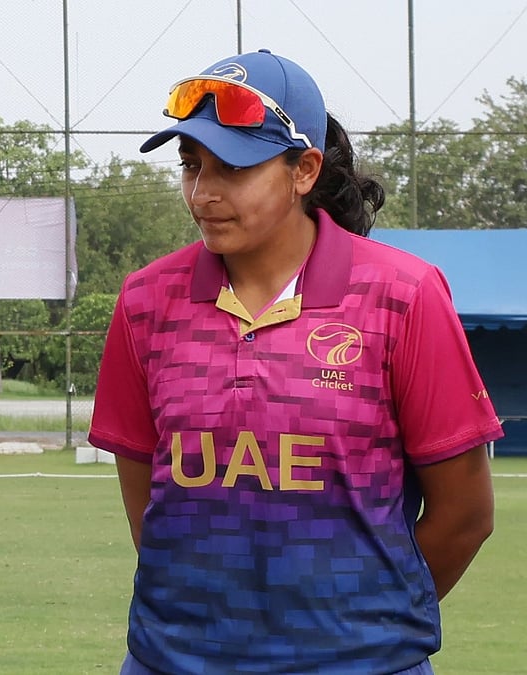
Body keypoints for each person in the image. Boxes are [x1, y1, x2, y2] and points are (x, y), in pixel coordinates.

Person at [88, 50, 501, 674]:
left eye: (233, 167)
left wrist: (356, 631)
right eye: (191, 166)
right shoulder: (146, 300)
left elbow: (465, 516)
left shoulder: (403, 296)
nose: (203, 193)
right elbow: (150, 508)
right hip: (171, 662)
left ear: (303, 170)